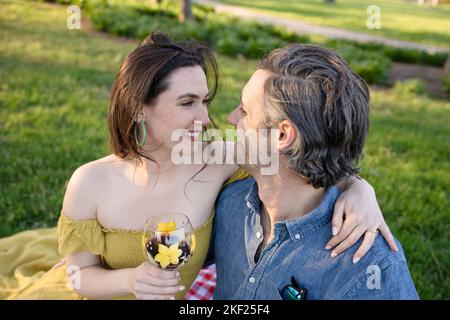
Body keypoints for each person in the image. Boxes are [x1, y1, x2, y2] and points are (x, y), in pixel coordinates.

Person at [0, 33, 395, 300]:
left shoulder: (216, 157)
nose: (206, 119)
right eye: (187, 103)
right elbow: (75, 278)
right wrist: (130, 280)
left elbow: (305, 152)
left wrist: (360, 189)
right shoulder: (91, 182)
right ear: (139, 107)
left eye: (205, 101)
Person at [212, 43, 419, 299]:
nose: (232, 118)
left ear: (282, 135)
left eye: (244, 111)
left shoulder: (369, 267)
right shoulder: (230, 203)